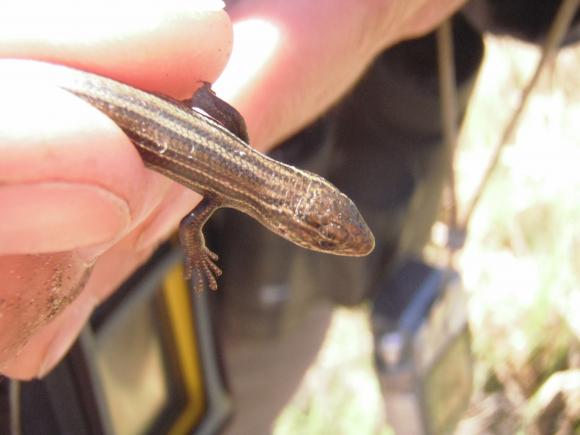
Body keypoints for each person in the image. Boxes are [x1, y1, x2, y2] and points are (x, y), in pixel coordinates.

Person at [0, 0, 465, 380]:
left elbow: (207, 100)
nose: (336, 244)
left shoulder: (238, 137)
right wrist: (196, 253)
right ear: (292, 226)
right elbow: (188, 222)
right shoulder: (217, 193)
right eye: (325, 237)